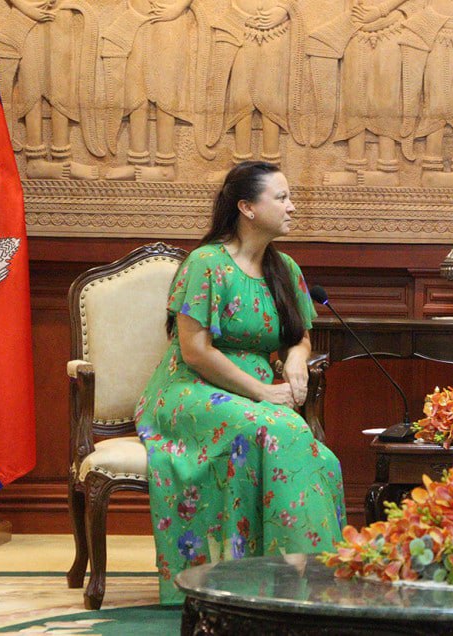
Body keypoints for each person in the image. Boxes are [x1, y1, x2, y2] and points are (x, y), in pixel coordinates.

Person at [134, 161, 346, 603]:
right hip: (191, 390)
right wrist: (264, 392)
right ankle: (305, 585)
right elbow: (195, 351)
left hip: (256, 398)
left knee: (321, 458)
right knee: (281, 427)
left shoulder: (285, 268)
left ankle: (287, 581)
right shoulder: (206, 263)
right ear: (247, 207)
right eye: (281, 198)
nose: (292, 206)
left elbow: (300, 336)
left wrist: (296, 359)